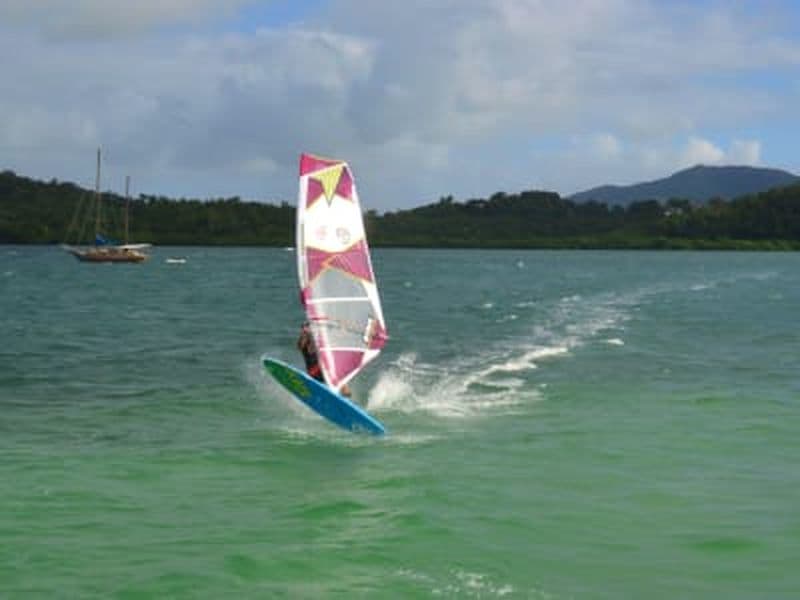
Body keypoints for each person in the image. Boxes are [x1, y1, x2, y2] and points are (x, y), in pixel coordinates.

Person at [297, 321, 352, 398]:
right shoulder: (304, 341)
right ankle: (341, 392)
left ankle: (346, 398)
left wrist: (342, 328)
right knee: (333, 371)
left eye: (307, 327)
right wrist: (306, 334)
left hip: (323, 372)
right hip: (314, 372)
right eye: (303, 327)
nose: (304, 329)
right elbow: (301, 346)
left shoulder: (320, 340)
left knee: (340, 377)